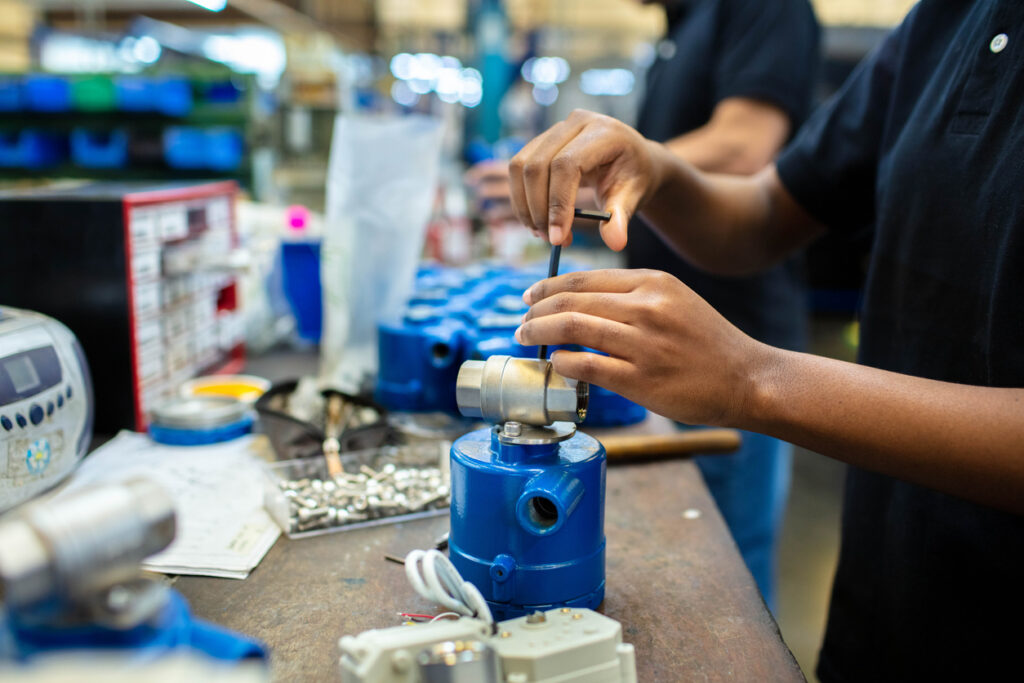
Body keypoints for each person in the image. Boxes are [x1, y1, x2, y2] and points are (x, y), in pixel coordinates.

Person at [505, 1, 1024, 680]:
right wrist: (657, 169)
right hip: (888, 594)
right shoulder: (949, 19)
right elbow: (768, 212)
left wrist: (753, 379)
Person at [468, 0, 821, 610]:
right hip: (663, 351)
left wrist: (615, 169)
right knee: (689, 556)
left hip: (735, 339)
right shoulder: (679, 29)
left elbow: (743, 149)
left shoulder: (762, 8)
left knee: (728, 577)